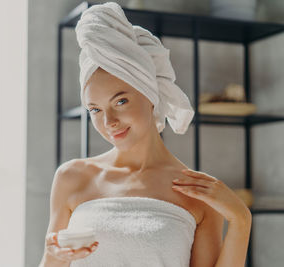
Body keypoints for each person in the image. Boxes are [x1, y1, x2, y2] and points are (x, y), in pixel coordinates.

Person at [39, 2, 251, 267]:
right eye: (95, 109)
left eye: (120, 102)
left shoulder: (198, 192)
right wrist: (53, 255)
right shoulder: (71, 178)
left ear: (151, 97)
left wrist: (241, 221)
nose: (109, 122)